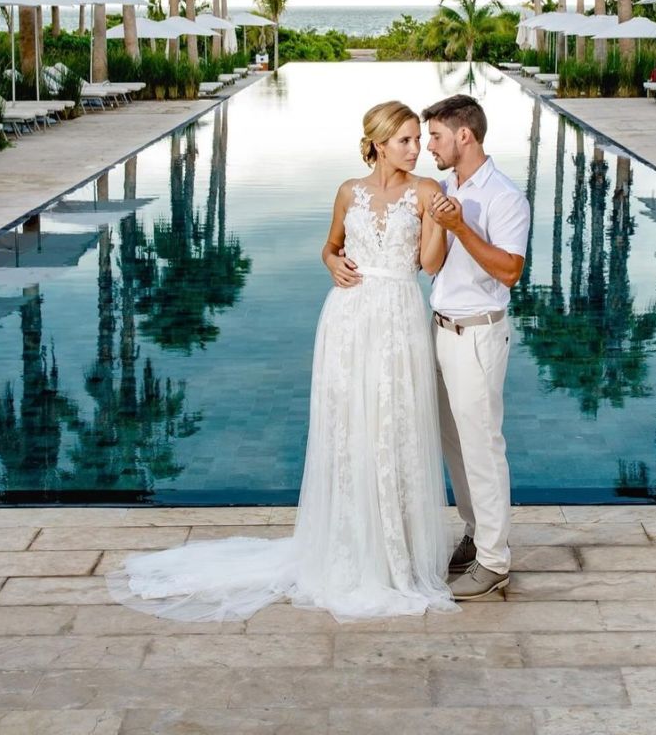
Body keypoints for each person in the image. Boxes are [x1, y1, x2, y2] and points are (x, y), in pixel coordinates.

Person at [107, 100, 458, 622]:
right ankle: (348, 545)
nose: (416, 149)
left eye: (417, 139)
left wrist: (442, 222)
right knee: (349, 430)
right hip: (347, 317)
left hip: (399, 315)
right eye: (406, 140)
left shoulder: (429, 191)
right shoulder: (348, 191)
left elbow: (430, 264)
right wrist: (332, 262)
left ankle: (396, 553)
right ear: (379, 143)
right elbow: (330, 246)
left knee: (395, 425)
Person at [422, 94, 530, 600]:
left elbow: (510, 271)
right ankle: (475, 530)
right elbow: (432, 265)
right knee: (452, 444)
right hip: (439, 330)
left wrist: (460, 225)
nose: (429, 147)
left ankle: (494, 561)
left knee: (483, 447)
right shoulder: (444, 187)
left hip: (478, 334)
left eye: (436, 136)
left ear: (464, 135)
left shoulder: (505, 197)